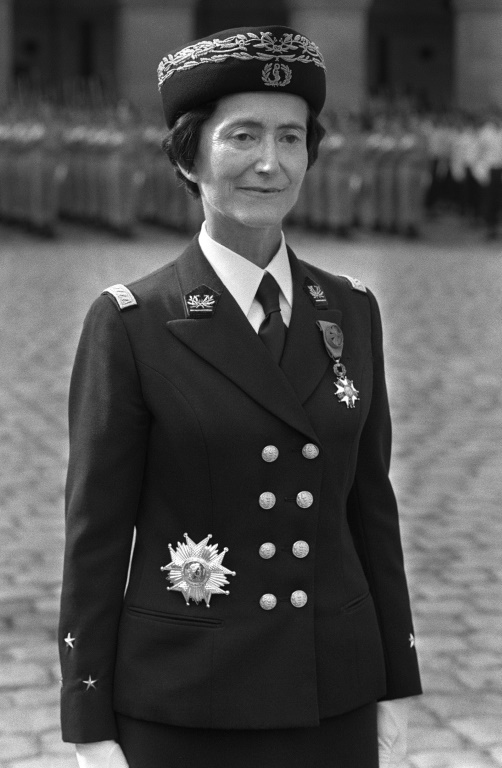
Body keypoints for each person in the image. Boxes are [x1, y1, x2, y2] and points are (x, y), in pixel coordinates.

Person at [59, 25, 422, 768]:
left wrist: (396, 675)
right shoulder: (132, 321)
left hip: (334, 687)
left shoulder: (350, 310)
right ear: (190, 157)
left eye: (292, 139)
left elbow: (369, 508)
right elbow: (97, 533)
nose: (270, 163)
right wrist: (88, 716)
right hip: (188, 695)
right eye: (243, 136)